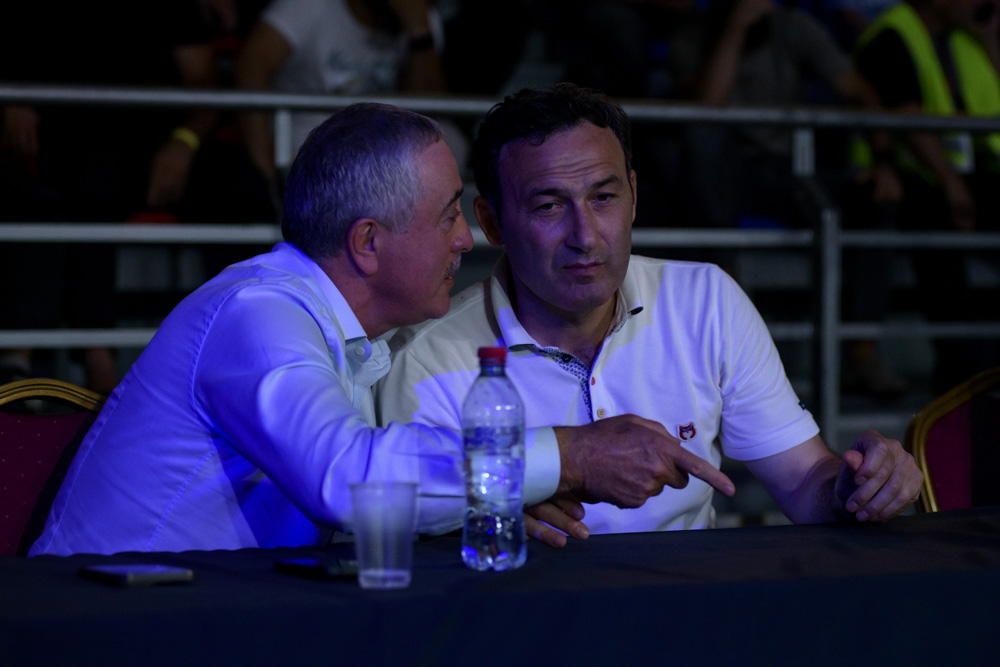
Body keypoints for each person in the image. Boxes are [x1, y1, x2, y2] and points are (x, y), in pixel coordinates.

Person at [29, 102, 735, 556]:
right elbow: (350, 480)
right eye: (448, 215)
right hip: (101, 633)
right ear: (368, 243)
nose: (465, 240)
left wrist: (495, 493)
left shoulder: (346, 332)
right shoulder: (257, 316)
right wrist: (570, 454)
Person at [375, 83, 923, 535]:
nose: (585, 236)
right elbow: (410, 537)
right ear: (491, 223)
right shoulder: (427, 360)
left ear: (634, 196)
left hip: (688, 613)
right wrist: (485, 514)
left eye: (604, 198)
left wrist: (857, 488)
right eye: (548, 206)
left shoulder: (706, 301)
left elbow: (805, 483)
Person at [854, 0, 1000, 392]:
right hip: (907, 176)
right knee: (934, 220)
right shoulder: (892, 36)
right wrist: (952, 183)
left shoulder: (966, 40)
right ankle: (960, 378)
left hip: (973, 174)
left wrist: (991, 40)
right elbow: (909, 120)